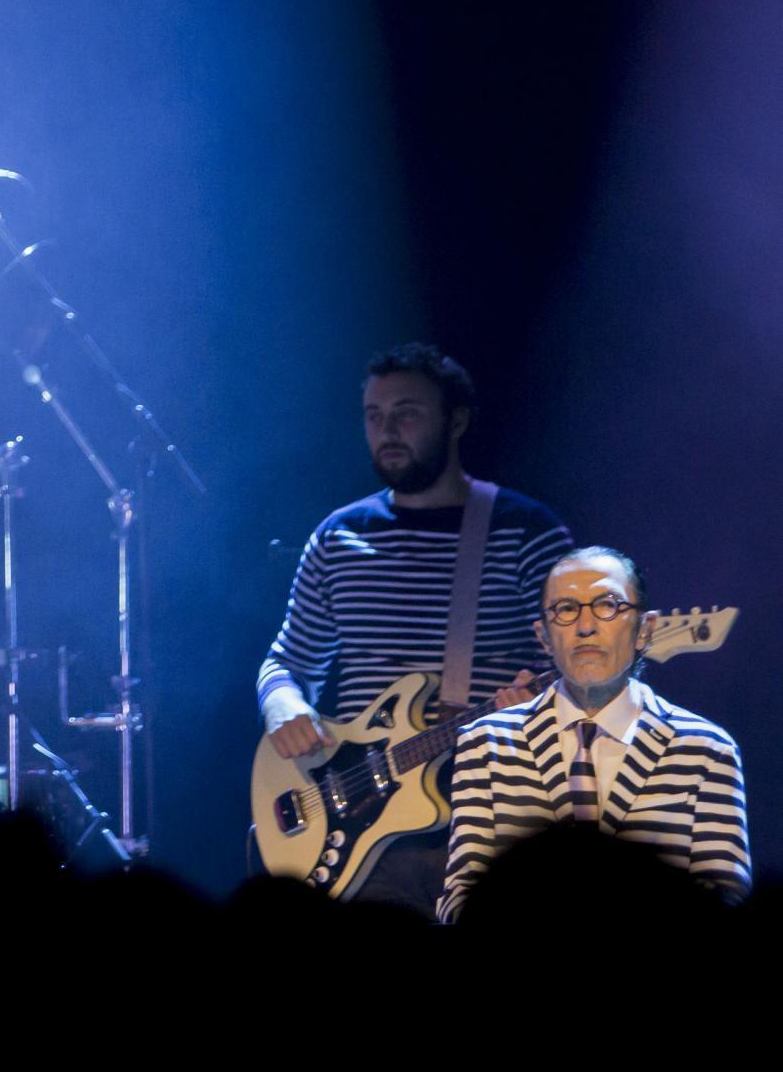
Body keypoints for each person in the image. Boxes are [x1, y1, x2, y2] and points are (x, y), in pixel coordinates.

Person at [256, 343, 570, 911]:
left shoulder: (526, 531)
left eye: (407, 412)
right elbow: (287, 662)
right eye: (374, 416)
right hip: (360, 831)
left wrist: (530, 707)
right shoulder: (338, 537)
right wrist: (283, 704)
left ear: (457, 420)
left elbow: (583, 664)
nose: (387, 430)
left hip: (494, 817)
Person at [438, 546, 750, 920]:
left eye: (607, 605)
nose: (585, 626)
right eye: (566, 609)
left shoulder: (705, 749)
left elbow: (726, 896)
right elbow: (462, 896)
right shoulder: (486, 743)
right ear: (544, 637)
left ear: (644, 629)